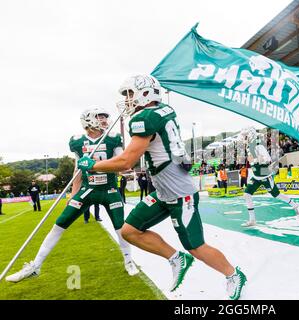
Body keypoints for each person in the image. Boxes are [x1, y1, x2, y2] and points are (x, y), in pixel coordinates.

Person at [76, 75, 247, 300]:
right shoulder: (161, 110)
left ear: (145, 92)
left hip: (180, 194)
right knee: (129, 231)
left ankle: (233, 275)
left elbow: (126, 162)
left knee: (195, 246)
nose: (127, 100)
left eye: (129, 94)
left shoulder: (146, 118)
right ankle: (176, 258)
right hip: (165, 191)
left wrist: (93, 165)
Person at [6, 108, 138, 283]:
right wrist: (73, 195)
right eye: (100, 116)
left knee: (120, 227)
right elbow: (77, 171)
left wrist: (94, 164)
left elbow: (123, 166)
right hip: (87, 190)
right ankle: (35, 266)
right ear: (89, 120)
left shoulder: (113, 138)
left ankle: (128, 260)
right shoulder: (77, 142)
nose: (105, 119)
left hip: (109, 190)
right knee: (59, 224)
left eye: (106, 116)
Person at [239, 127, 299, 227]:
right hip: (256, 176)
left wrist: (257, 160)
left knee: (276, 195)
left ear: (250, 136)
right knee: (247, 195)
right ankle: (252, 220)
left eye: (245, 136)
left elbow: (268, 160)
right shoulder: (249, 147)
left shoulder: (258, 146)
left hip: (265, 175)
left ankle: (295, 205)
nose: (243, 138)